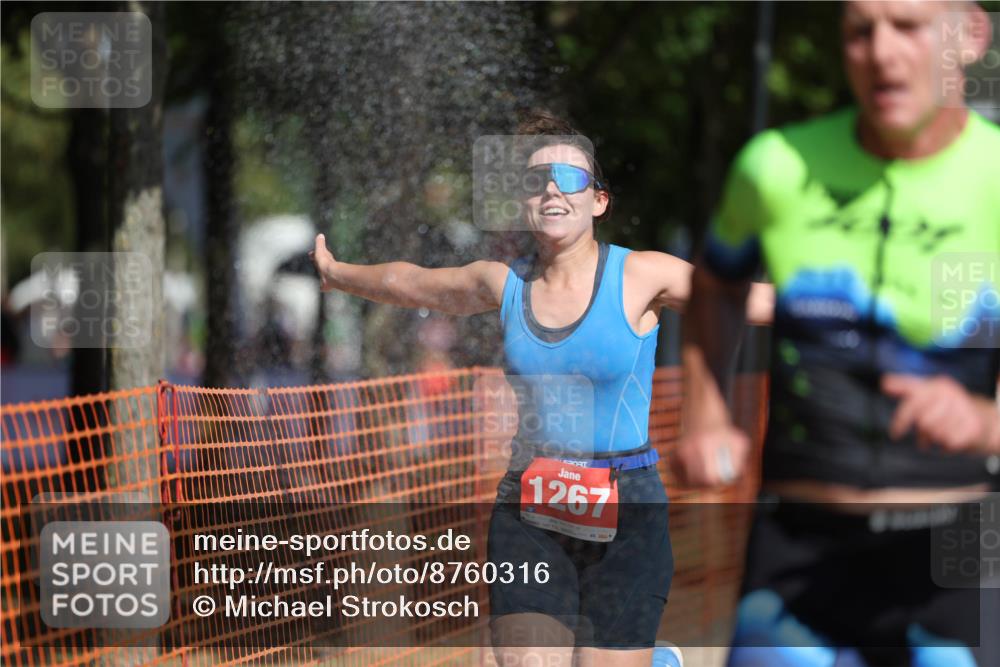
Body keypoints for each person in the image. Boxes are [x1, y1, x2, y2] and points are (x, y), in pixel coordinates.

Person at [311, 110, 774, 666]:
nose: (553, 189)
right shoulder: (503, 283)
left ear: (598, 200)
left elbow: (749, 301)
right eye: (536, 182)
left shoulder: (642, 276)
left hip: (627, 505)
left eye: (570, 178)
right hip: (530, 504)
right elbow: (414, 283)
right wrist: (338, 274)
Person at [675, 2, 1000, 666]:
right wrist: (705, 415)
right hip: (798, 546)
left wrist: (987, 420)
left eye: (907, 26)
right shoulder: (775, 167)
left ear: (969, 35)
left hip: (958, 548)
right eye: (859, 31)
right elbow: (715, 284)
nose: (881, 52)